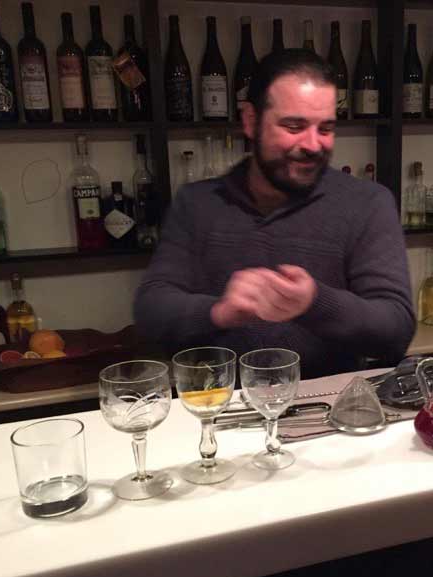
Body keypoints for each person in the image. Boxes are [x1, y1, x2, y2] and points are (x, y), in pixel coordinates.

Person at [134, 49, 415, 378]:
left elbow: (395, 330)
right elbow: (150, 311)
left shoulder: (367, 203)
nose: (313, 144)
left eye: (325, 128)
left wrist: (314, 301)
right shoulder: (197, 204)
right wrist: (218, 311)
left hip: (328, 410)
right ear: (251, 121)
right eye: (294, 126)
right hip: (224, 404)